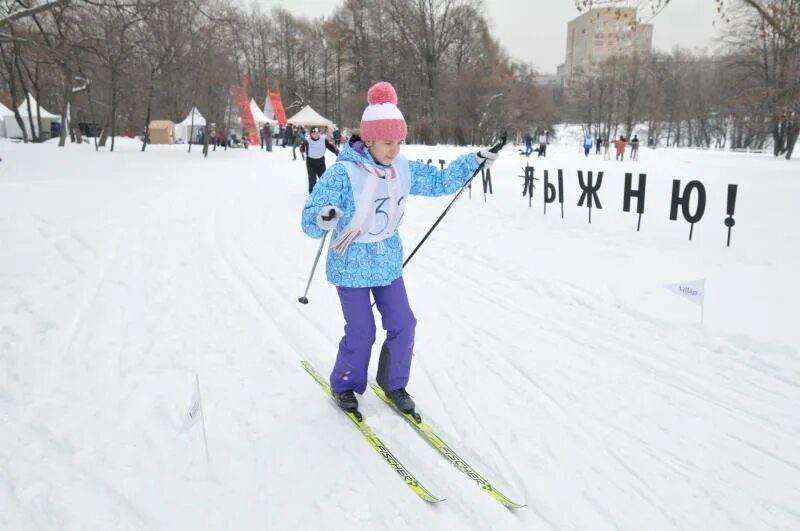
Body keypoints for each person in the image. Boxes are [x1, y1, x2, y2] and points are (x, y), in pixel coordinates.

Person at [300, 81, 500, 416]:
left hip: (387, 263)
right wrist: (323, 217)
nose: (395, 149)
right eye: (388, 142)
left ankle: (394, 383)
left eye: (399, 141)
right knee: (362, 332)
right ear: (369, 139)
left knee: (404, 323)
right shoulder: (344, 173)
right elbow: (309, 219)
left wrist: (475, 161)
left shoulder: (401, 168)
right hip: (350, 266)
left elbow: (439, 182)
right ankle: (346, 383)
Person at [302, 126, 340, 193]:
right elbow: (301, 149)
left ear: (319, 133)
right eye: (314, 133)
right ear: (311, 134)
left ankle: (324, 193)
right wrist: (304, 149)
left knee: (323, 178)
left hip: (320, 162)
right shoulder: (307, 140)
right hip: (310, 162)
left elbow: (330, 146)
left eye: (317, 133)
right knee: (312, 180)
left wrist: (336, 151)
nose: (316, 135)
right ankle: (312, 195)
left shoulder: (323, 140)